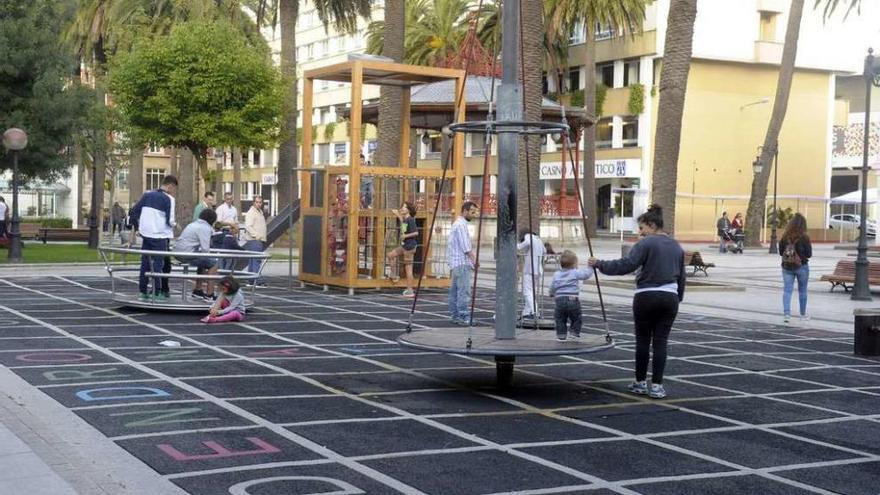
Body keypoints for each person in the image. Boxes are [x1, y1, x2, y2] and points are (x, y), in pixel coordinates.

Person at [589, 204, 685, 399]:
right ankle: (657, 386)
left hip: (646, 295)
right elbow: (682, 276)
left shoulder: (646, 244)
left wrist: (599, 264)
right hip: (670, 297)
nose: (640, 233)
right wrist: (677, 297)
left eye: (641, 228)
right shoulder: (676, 245)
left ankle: (640, 382)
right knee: (661, 342)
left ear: (651, 225)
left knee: (643, 340)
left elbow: (626, 265)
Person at [129, 175, 178, 302]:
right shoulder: (169, 199)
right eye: (173, 189)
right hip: (160, 235)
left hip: (146, 234)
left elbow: (134, 211)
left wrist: (138, 226)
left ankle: (142, 291)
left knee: (145, 264)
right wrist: (175, 225)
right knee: (158, 264)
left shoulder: (147, 195)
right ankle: (157, 291)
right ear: (170, 186)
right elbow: (170, 220)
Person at [174, 208, 219, 301]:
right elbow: (206, 249)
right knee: (214, 264)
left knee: (203, 262)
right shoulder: (205, 227)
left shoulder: (193, 224)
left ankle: (198, 290)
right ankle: (210, 294)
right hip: (186, 253)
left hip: (178, 251)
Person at [549, 250, 594, 341]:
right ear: (574, 264)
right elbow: (586, 275)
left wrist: (551, 293)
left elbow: (553, 286)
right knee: (576, 318)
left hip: (559, 300)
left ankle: (561, 335)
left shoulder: (556, 274)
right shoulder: (575, 272)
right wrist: (590, 267)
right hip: (572, 299)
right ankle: (574, 333)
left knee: (560, 318)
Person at [447, 201, 478, 325]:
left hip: (456, 262)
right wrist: (475, 260)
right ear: (465, 211)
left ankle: (455, 315)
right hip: (461, 262)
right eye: (472, 212)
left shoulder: (457, 224)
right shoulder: (461, 225)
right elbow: (466, 247)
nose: (474, 215)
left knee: (455, 291)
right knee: (463, 291)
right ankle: (463, 315)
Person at [779, 213, 812, 324]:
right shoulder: (804, 237)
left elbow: (780, 252)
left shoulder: (785, 236)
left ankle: (787, 314)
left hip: (787, 266)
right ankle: (802, 315)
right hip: (801, 266)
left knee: (787, 291)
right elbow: (809, 254)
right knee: (802, 290)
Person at [387, 201, 419, 297]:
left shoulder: (411, 220)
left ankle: (410, 290)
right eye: (402, 207)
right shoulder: (405, 219)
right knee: (390, 255)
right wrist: (397, 215)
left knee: (408, 269)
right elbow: (403, 224)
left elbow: (416, 233)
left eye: (404, 207)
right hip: (405, 245)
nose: (402, 208)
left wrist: (405, 235)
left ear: (408, 210)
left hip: (410, 246)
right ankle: (393, 275)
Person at [517, 228, 546, 320]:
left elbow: (525, 244)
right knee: (531, 291)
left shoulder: (528, 237)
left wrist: (517, 245)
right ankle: (527, 311)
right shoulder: (538, 239)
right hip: (538, 269)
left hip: (530, 269)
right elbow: (544, 251)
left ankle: (534, 311)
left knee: (526, 291)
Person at [243, 195, 267, 286]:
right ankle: (257, 279)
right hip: (254, 239)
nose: (258, 204)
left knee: (253, 259)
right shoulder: (251, 212)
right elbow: (248, 226)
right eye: (256, 202)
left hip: (258, 239)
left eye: (260, 202)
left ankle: (251, 279)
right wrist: (256, 236)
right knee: (256, 259)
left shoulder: (260, 212)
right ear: (253, 202)